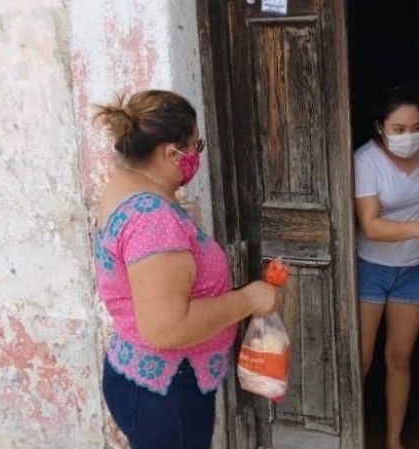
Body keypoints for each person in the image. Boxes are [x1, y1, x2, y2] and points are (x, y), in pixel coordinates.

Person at [92, 90, 279, 449]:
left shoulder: (126, 186)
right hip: (167, 393)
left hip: (142, 379)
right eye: (196, 146)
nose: (197, 156)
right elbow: (167, 327)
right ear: (170, 153)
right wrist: (249, 298)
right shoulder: (153, 219)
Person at [354, 87, 419, 449]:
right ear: (380, 127)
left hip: (412, 268)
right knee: (360, 361)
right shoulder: (366, 160)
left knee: (399, 357)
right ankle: (352, 437)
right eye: (398, 129)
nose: (409, 136)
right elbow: (370, 225)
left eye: (416, 127)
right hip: (371, 266)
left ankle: (394, 440)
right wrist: (418, 229)